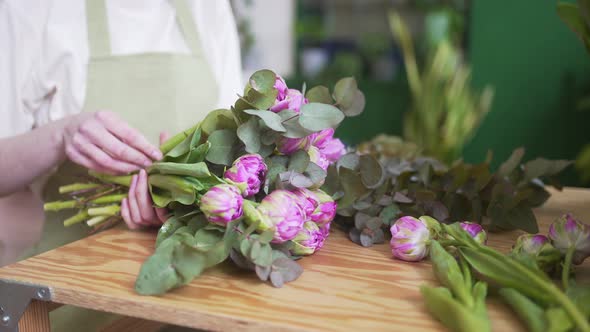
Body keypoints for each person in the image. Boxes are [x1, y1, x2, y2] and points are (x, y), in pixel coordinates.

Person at [0, 0, 242, 329]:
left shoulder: (208, 8)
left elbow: (233, 155)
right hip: (66, 295)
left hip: (190, 290)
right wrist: (62, 136)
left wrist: (174, 206)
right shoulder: (31, 10)